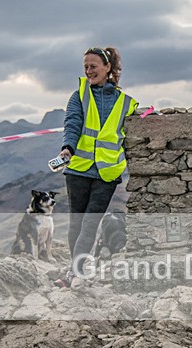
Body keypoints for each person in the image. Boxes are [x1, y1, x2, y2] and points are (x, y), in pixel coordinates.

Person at [53, 46, 138, 288]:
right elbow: (73, 122)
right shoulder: (79, 94)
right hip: (78, 167)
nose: (89, 71)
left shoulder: (125, 102)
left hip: (107, 172)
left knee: (90, 223)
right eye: (86, 67)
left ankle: (74, 274)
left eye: (94, 66)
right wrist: (67, 147)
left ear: (108, 67)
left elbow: (139, 123)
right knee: (76, 223)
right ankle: (75, 269)